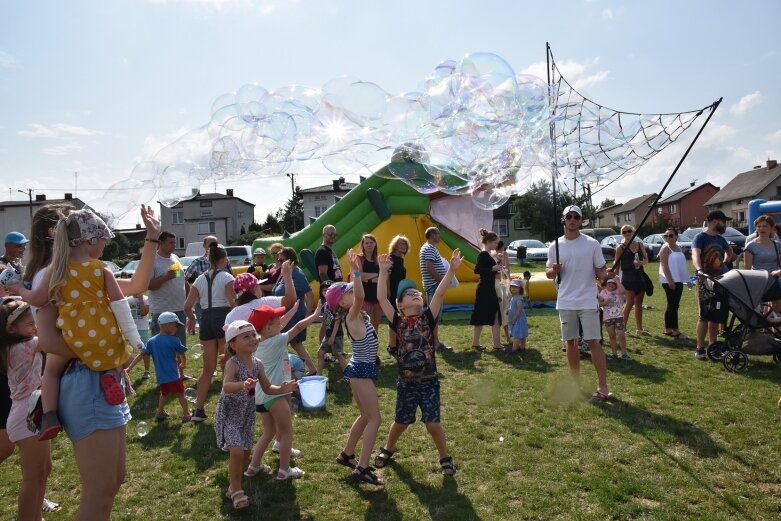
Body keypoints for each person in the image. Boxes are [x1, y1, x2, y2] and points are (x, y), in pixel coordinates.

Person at [27, 205, 160, 520]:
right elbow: (47, 341)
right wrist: (104, 353)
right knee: (100, 489)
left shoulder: (90, 272)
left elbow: (137, 285)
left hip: (101, 376)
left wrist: (151, 238)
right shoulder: (51, 276)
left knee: (112, 482)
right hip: (87, 378)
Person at [21, 210, 144, 441]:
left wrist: (19, 289)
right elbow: (119, 305)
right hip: (106, 336)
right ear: (92, 240)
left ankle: (48, 416)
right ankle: (109, 373)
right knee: (109, 349)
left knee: (50, 372)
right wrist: (133, 335)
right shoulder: (102, 269)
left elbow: (37, 300)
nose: (105, 247)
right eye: (104, 242)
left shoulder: (57, 270)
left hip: (75, 338)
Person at [373, 249, 462, 476]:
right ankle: (387, 449)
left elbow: (440, 294)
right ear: (400, 305)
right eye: (409, 294)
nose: (415, 294)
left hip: (430, 382)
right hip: (406, 383)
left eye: (417, 293)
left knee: (433, 424)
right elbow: (382, 298)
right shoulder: (398, 322)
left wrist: (451, 269)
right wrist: (383, 273)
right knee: (401, 423)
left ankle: (444, 457)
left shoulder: (427, 319)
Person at [216, 320, 297, 509]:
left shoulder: (257, 364)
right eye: (246, 336)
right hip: (230, 413)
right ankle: (237, 492)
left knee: (244, 454)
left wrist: (283, 388)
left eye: (253, 335)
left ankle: (232, 486)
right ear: (234, 345)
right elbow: (226, 386)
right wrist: (242, 385)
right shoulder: (232, 364)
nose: (253, 339)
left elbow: (268, 388)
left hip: (246, 414)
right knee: (236, 451)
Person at [245, 301, 321, 481]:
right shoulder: (278, 340)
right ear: (268, 327)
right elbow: (298, 326)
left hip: (261, 397)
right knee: (286, 432)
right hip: (276, 394)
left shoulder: (257, 342)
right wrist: (316, 314)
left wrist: (293, 310)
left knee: (268, 432)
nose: (281, 321)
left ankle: (253, 466)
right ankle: (284, 470)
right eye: (277, 320)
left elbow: (280, 326)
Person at [328, 251, 383, 485]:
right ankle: (362, 467)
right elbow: (360, 296)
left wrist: (355, 274)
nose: (353, 292)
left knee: (365, 416)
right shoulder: (352, 316)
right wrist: (357, 272)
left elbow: (358, 295)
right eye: (347, 292)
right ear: (341, 302)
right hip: (361, 371)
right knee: (375, 420)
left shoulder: (357, 316)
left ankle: (347, 454)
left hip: (358, 370)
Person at [546, 205, 611, 401]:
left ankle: (603, 386)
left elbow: (601, 271)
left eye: (576, 217)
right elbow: (549, 273)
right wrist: (554, 270)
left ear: (581, 221)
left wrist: (606, 275)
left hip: (587, 299)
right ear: (563, 220)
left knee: (593, 341)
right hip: (565, 300)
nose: (572, 220)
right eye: (569, 217)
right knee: (571, 342)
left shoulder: (591, 244)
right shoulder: (554, 246)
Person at [0, 298, 53, 521]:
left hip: (31, 410)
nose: (35, 328)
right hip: (26, 415)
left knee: (44, 470)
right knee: (33, 478)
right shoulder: (26, 346)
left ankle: (35, 517)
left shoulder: (13, 346)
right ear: (11, 329)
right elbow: (55, 341)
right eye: (31, 324)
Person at [185, 243, 236, 422]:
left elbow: (187, 306)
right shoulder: (227, 277)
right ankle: (228, 408)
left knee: (208, 369)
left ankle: (198, 410)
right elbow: (232, 302)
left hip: (206, 319)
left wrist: (192, 318)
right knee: (227, 365)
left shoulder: (199, 279)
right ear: (224, 259)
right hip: (223, 318)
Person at [692, 210, 734, 361]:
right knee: (704, 315)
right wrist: (699, 270)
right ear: (716, 221)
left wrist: (725, 263)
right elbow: (695, 254)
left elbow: (730, 252)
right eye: (723, 221)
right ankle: (700, 348)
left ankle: (713, 346)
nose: (724, 224)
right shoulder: (700, 237)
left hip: (720, 281)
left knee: (716, 315)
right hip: (705, 281)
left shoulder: (721, 239)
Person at [273, 247, 316, 374]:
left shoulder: (296, 273)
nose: (279, 262)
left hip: (294, 315)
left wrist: (308, 315)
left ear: (291, 260)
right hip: (285, 315)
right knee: (293, 344)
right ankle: (309, 370)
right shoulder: (285, 273)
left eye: (282, 260)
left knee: (285, 344)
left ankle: (284, 372)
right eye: (279, 260)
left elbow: (310, 294)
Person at [148, 231, 187, 345]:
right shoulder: (153, 260)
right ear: (161, 243)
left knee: (179, 347)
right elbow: (148, 285)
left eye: (174, 243)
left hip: (179, 310)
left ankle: (178, 364)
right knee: (161, 348)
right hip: (161, 312)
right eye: (170, 243)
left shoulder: (175, 258)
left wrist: (188, 302)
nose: (174, 246)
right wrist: (165, 277)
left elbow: (181, 280)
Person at [224, 268, 296, 325]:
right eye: (258, 285)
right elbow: (291, 300)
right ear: (254, 287)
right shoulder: (265, 302)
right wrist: (287, 276)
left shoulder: (231, 315)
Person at [470, 228, 503, 351]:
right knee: (493, 314)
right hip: (485, 288)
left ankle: (476, 342)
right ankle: (496, 344)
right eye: (495, 243)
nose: (496, 245)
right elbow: (477, 270)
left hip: (487, 287)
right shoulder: (483, 254)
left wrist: (496, 265)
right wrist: (492, 269)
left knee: (482, 315)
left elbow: (489, 268)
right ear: (488, 241)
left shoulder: (488, 254)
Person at [614, 225, 650, 336]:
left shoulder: (639, 244)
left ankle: (639, 329)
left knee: (639, 303)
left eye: (629, 231)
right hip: (628, 277)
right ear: (622, 234)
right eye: (624, 232)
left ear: (633, 232)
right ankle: (622, 328)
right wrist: (615, 280)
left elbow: (646, 259)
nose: (627, 233)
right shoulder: (620, 247)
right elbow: (616, 264)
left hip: (639, 276)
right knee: (630, 302)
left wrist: (641, 263)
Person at [418, 227, 450, 351]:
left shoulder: (429, 248)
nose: (440, 236)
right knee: (434, 315)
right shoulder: (429, 248)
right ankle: (434, 342)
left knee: (434, 315)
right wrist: (442, 281)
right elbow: (429, 268)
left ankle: (434, 341)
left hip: (433, 285)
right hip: (434, 286)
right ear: (433, 235)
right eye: (438, 233)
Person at [743, 215, 781, 314]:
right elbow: (747, 268)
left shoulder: (777, 245)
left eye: (765, 226)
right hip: (758, 280)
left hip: (774, 280)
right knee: (760, 312)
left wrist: (777, 272)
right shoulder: (750, 246)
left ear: (771, 228)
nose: (761, 229)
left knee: (776, 311)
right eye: (759, 226)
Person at [658, 227, 690, 339]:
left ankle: (668, 328)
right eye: (665, 236)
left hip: (678, 279)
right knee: (673, 305)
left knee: (673, 305)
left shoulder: (678, 247)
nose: (668, 238)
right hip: (669, 280)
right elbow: (664, 266)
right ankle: (675, 330)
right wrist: (670, 281)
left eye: (670, 235)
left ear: (676, 236)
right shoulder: (665, 248)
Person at [315, 224, 343, 343]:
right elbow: (322, 274)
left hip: (335, 290)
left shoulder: (329, 250)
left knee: (331, 320)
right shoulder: (322, 252)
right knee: (328, 320)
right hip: (329, 292)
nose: (332, 236)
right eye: (329, 234)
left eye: (334, 234)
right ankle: (323, 348)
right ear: (323, 235)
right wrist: (331, 291)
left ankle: (333, 348)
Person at [316, 280, 347, 377]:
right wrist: (314, 317)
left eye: (328, 290)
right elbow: (325, 318)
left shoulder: (334, 305)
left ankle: (348, 375)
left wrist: (333, 336)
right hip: (328, 334)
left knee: (338, 355)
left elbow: (337, 321)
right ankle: (318, 375)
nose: (326, 292)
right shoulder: (325, 305)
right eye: (324, 290)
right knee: (320, 353)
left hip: (336, 335)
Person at [387, 235, 410, 355]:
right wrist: (388, 292)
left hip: (399, 292)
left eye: (405, 244)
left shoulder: (400, 259)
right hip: (392, 292)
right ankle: (392, 346)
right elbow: (386, 276)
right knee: (393, 319)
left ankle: (396, 343)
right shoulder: (390, 258)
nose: (403, 246)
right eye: (401, 243)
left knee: (399, 318)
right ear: (395, 245)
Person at [599, 276, 630, 360]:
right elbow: (598, 303)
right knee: (612, 337)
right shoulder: (603, 292)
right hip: (608, 318)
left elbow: (623, 291)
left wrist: (617, 280)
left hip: (619, 317)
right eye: (609, 283)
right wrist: (605, 302)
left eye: (613, 283)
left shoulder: (618, 291)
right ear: (605, 285)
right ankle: (614, 354)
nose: (611, 284)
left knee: (621, 335)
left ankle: (624, 354)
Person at [357, 233, 382, 334]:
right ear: (363, 245)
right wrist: (375, 275)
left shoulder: (378, 259)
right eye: (366, 243)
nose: (369, 245)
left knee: (375, 324)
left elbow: (383, 277)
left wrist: (367, 278)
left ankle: (373, 346)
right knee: (363, 324)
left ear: (375, 244)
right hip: (364, 297)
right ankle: (363, 347)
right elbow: (358, 275)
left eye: (371, 242)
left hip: (377, 297)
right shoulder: (359, 258)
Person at [124, 292, 152, 379]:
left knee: (145, 350)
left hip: (142, 328)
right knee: (126, 350)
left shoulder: (146, 299)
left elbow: (144, 313)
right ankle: (125, 370)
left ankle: (146, 371)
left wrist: (140, 300)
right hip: (129, 329)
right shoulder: (127, 300)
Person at [494, 240, 512, 345]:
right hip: (501, 284)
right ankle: (507, 337)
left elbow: (507, 270)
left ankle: (507, 336)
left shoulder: (502, 254)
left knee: (504, 311)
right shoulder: (497, 255)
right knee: (503, 311)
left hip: (503, 284)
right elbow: (507, 270)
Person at [0, 232, 28, 297]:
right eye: (20, 245)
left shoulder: (18, 264)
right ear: (7, 246)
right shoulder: (1, 265)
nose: (24, 248)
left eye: (24, 245)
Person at [506, 278, 528, 354]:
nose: (513, 288)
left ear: (520, 289)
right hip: (515, 319)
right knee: (521, 334)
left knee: (517, 335)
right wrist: (509, 310)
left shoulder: (519, 298)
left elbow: (519, 309)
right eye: (512, 287)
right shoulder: (513, 298)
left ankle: (514, 350)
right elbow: (513, 307)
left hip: (518, 320)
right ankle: (522, 347)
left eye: (516, 287)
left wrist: (514, 319)